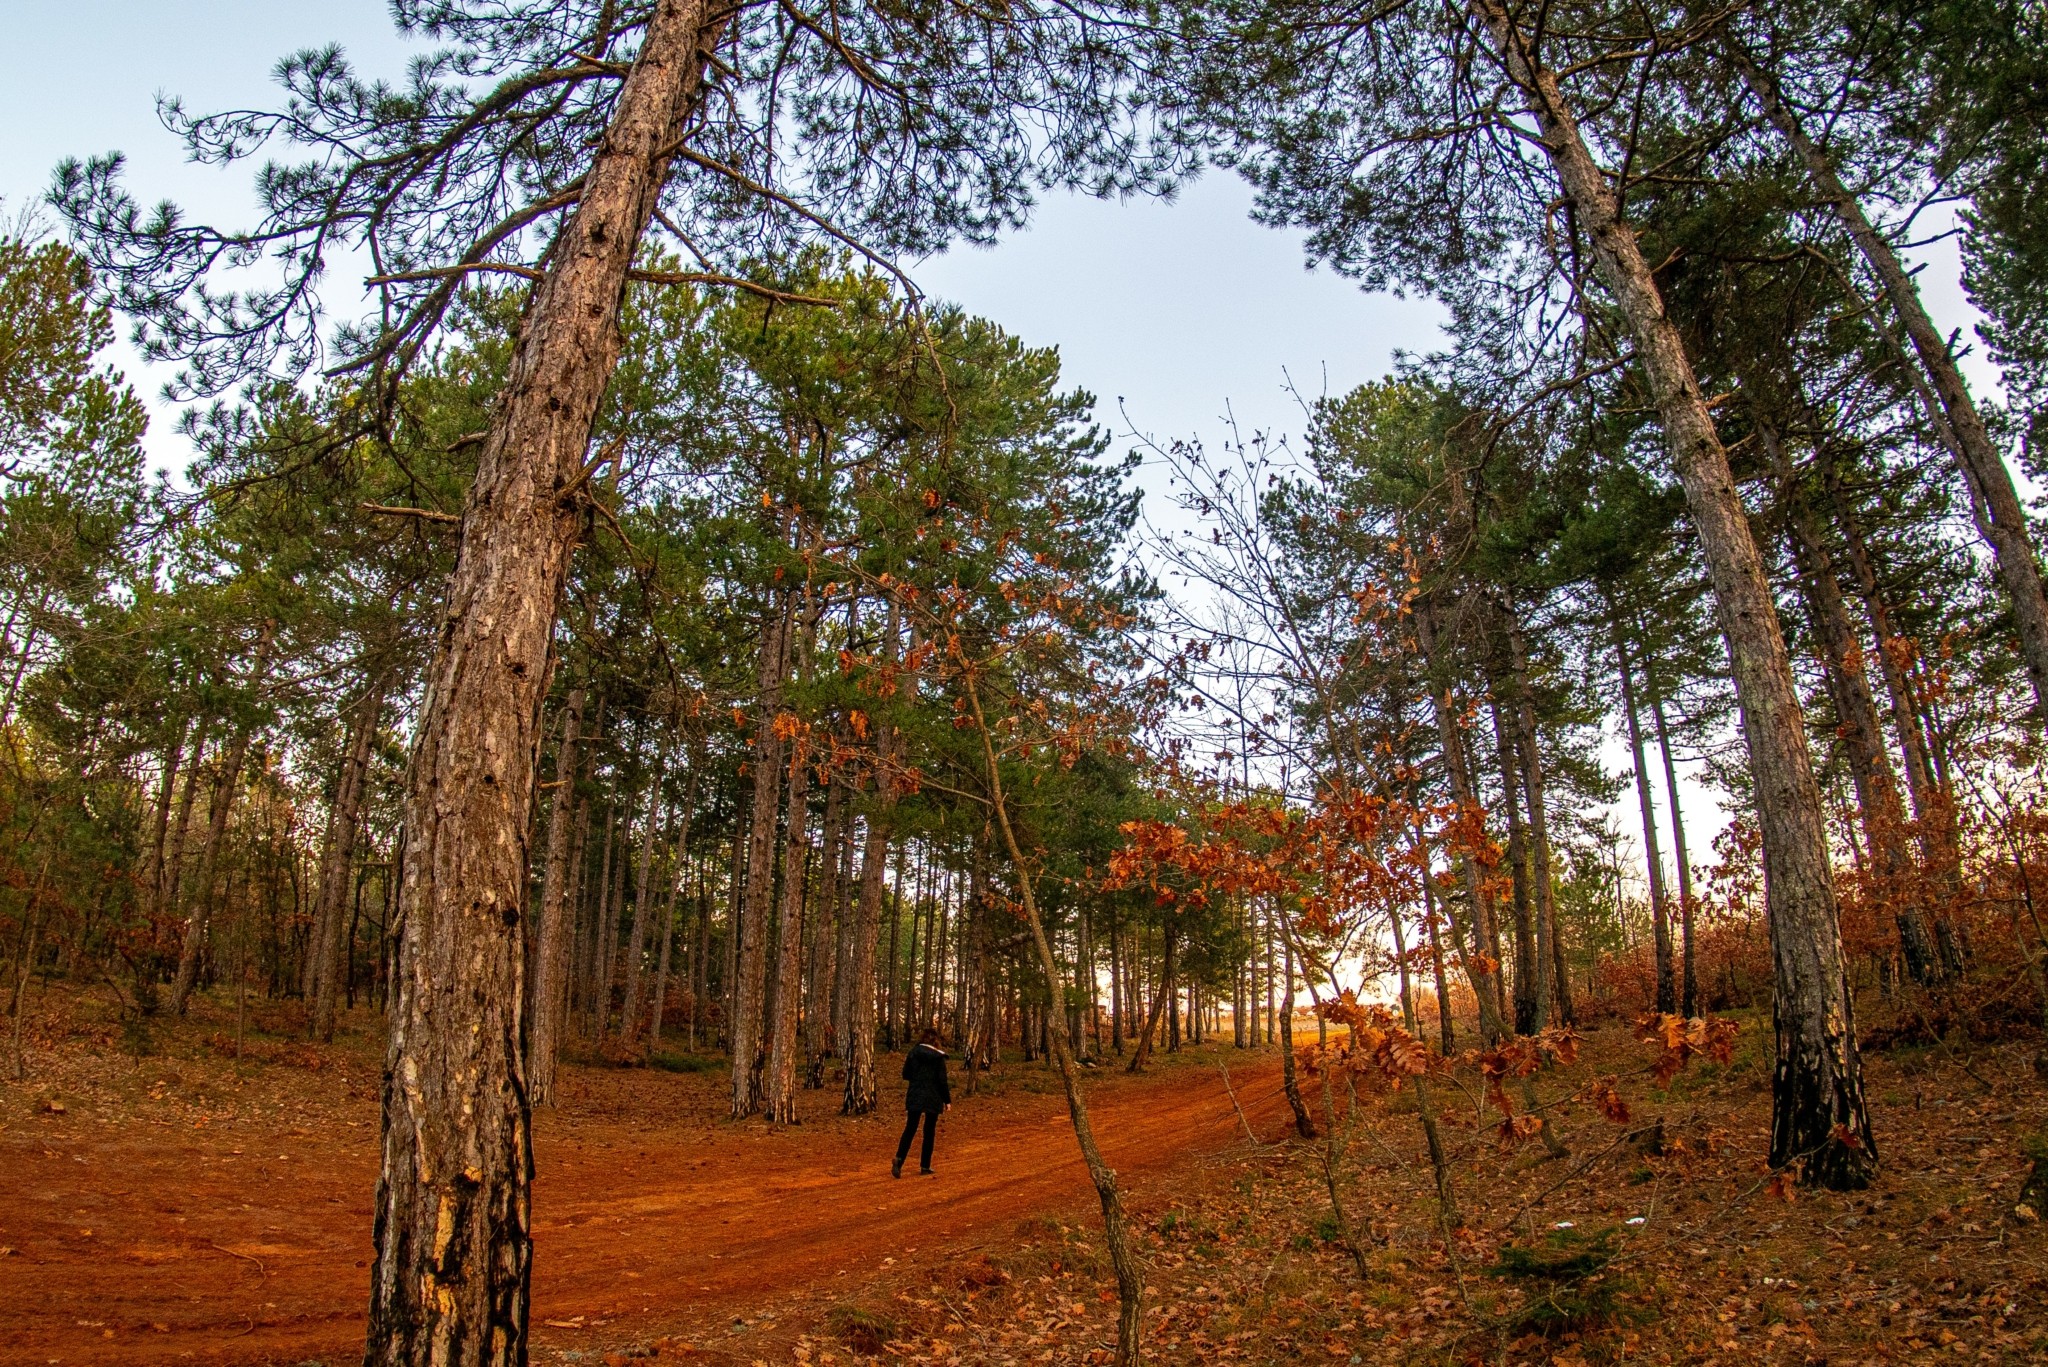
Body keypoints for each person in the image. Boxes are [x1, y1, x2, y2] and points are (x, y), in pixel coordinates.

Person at [893, 1028, 952, 1178]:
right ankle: (925, 1165)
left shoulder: (913, 1053)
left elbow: (905, 1074)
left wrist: (917, 1079)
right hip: (933, 1096)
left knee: (910, 1128)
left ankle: (899, 1159)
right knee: (929, 1131)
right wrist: (947, 1100)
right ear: (936, 1041)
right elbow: (942, 1081)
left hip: (915, 1094)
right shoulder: (938, 1058)